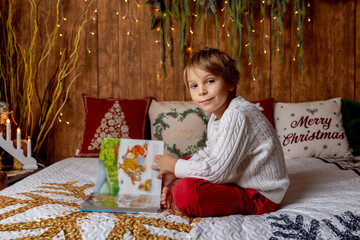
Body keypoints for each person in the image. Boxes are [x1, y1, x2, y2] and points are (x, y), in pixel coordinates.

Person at [151, 47, 289, 217]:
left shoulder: (238, 114)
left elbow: (216, 171)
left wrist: (174, 165)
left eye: (209, 81)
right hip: (237, 178)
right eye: (194, 86)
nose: (201, 91)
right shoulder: (217, 117)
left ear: (231, 83)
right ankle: (177, 189)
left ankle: (178, 198)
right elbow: (211, 153)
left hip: (259, 195)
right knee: (187, 166)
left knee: (187, 191)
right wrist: (175, 169)